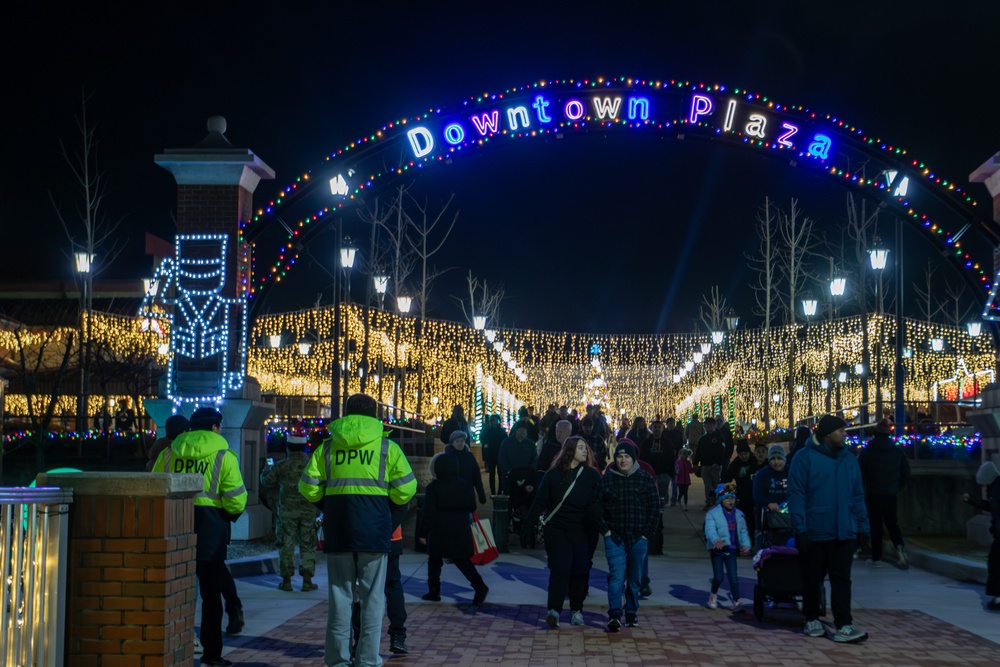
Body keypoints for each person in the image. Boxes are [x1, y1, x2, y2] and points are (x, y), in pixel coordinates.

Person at [299, 393, 417, 667]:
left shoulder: (328, 447)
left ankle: (338, 659)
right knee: (372, 600)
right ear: (374, 414)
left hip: (338, 529)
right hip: (374, 532)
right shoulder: (387, 447)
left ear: (347, 413)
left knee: (340, 598)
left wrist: (327, 504)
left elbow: (307, 486)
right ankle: (367, 659)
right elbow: (407, 489)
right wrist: (387, 509)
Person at [152, 407, 247, 667]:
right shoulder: (223, 456)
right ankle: (211, 654)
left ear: (191, 428)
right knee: (210, 597)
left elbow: (155, 487)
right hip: (211, 534)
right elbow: (237, 500)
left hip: (174, 529)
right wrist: (227, 516)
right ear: (216, 427)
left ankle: (173, 648)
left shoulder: (169, 453)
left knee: (175, 593)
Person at [788, 415, 870, 644]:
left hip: (844, 530)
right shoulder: (804, 458)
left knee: (842, 580)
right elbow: (797, 495)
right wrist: (800, 529)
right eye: (841, 431)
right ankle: (811, 618)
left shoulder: (850, 459)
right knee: (813, 578)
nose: (845, 434)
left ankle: (844, 624)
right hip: (815, 530)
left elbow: (857, 495)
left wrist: (863, 529)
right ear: (827, 435)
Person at [525, 435, 603, 628]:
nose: (585, 451)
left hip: (583, 529)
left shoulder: (592, 475)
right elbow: (540, 501)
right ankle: (554, 610)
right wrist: (528, 524)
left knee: (580, 569)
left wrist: (604, 526)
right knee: (560, 568)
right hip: (557, 529)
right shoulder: (552, 475)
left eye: (586, 448)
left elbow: (600, 503)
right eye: (580, 448)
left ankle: (577, 609)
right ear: (570, 450)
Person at [599, 440, 660, 631]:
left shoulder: (644, 479)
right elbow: (597, 507)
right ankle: (615, 614)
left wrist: (646, 534)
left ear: (633, 459)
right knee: (616, 577)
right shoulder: (607, 479)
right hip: (615, 537)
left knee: (634, 579)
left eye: (626, 456)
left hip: (637, 538)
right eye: (619, 456)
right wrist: (605, 531)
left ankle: (631, 611)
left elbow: (654, 508)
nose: (622, 460)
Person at [418, 454, 490, 605]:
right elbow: (472, 506)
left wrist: (423, 532)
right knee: (462, 560)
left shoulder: (433, 487)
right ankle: (480, 586)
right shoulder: (463, 485)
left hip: (439, 529)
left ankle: (434, 591)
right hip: (460, 527)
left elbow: (429, 513)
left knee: (434, 560)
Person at [261, 427, 317, 591]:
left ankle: (286, 582)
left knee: (286, 545)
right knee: (307, 544)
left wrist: (265, 469)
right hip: (308, 511)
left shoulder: (282, 465)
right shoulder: (311, 465)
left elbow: (266, 481)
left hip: (286, 512)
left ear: (288, 447)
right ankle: (307, 581)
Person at [859, 419, 911, 569]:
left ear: (874, 433)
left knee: (875, 525)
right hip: (891, 492)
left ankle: (877, 557)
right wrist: (898, 486)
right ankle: (899, 546)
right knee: (892, 523)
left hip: (874, 492)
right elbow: (905, 472)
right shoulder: (896, 450)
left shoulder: (867, 451)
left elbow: (860, 473)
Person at [704, 482, 751, 611]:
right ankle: (713, 595)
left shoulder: (739, 515)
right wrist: (716, 539)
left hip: (731, 551)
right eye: (727, 498)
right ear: (721, 499)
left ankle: (737, 601)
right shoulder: (713, 514)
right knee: (719, 577)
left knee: (733, 577)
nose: (730, 501)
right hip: (717, 551)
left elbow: (743, 531)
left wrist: (745, 545)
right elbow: (709, 530)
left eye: (732, 498)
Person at [963, 461, 1000, 611]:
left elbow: (994, 509)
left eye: (983, 484)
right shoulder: (996, 489)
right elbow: (991, 507)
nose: (983, 487)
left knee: (996, 566)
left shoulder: (997, 491)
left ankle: (998, 598)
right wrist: (971, 501)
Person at [722, 440, 759, 539]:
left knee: (752, 519)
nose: (744, 456)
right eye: (741, 454)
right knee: (743, 518)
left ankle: (752, 538)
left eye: (746, 454)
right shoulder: (735, 464)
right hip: (742, 495)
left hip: (755, 493)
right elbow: (727, 478)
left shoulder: (754, 461)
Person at [446, 430, 487, 505]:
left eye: (462, 441)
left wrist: (481, 495)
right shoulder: (447, 457)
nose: (460, 443)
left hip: (468, 493)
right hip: (452, 495)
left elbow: (476, 476)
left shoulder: (469, 457)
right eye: (457, 441)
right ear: (452, 443)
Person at [640, 420, 675, 506]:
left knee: (662, 499)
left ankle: (661, 516)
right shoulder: (647, 443)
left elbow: (671, 458)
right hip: (650, 474)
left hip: (664, 474)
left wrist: (670, 472)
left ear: (662, 429)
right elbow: (642, 458)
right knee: (651, 498)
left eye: (659, 427)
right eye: (655, 427)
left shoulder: (667, 443)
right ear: (652, 428)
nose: (657, 429)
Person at [693, 419, 727, 509]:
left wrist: (718, 462)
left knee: (716, 484)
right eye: (706, 425)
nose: (708, 426)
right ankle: (709, 500)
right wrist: (695, 463)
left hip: (715, 466)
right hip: (705, 466)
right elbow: (698, 452)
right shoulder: (703, 439)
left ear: (714, 425)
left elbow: (722, 451)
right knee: (707, 485)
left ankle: (717, 501)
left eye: (710, 425)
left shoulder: (719, 437)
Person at [498, 421, 538, 493]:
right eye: (521, 430)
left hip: (526, 477)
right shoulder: (507, 443)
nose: (523, 432)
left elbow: (535, 460)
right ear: (516, 430)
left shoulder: (530, 444)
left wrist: (530, 472)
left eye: (525, 430)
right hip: (510, 476)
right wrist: (508, 471)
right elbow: (502, 459)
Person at [480, 414, 507, 496]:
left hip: (499, 454)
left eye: (494, 420)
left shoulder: (502, 431)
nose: (492, 422)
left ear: (497, 421)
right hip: (491, 455)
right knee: (492, 474)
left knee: (500, 474)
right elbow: (483, 440)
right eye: (491, 420)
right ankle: (493, 491)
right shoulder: (487, 431)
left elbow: (505, 442)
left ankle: (499, 490)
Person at [663, 417, 685, 505]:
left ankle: (674, 498)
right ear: (667, 424)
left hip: (675, 459)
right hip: (665, 459)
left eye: (672, 423)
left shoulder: (678, 434)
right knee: (665, 481)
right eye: (670, 423)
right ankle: (666, 497)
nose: (671, 425)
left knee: (675, 480)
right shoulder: (664, 433)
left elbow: (681, 445)